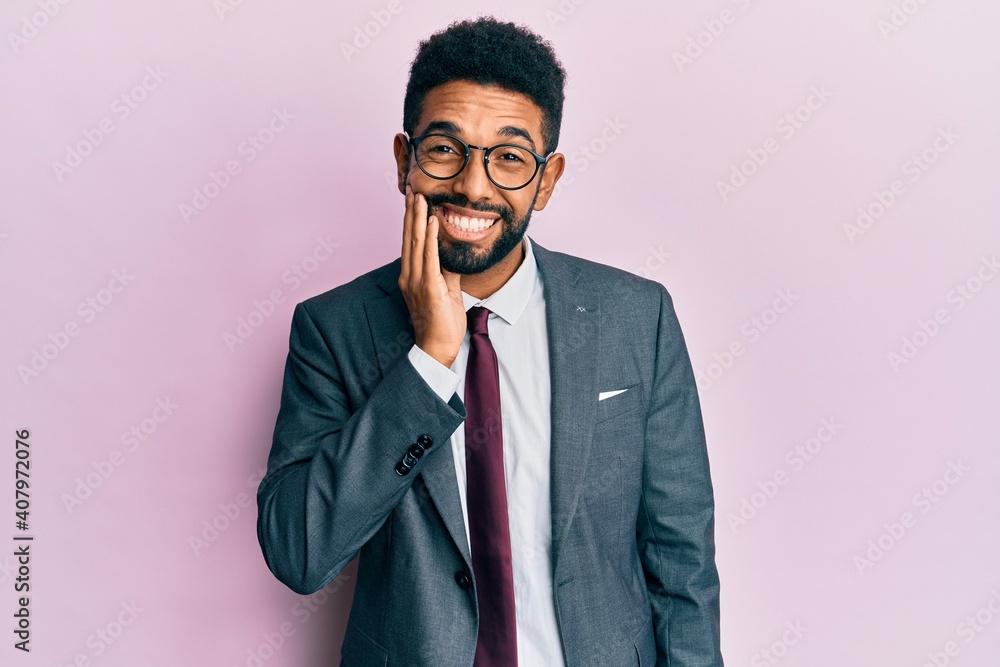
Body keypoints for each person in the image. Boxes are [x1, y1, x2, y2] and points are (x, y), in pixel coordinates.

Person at [257, 16, 724, 667]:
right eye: (446, 149)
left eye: (508, 157)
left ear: (547, 179)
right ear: (404, 160)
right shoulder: (333, 330)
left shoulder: (635, 318)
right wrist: (428, 364)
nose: (474, 186)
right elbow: (299, 551)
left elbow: (683, 567)